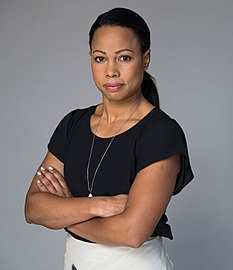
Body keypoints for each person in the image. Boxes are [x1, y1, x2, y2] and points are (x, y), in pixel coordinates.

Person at [25, 7, 194, 270]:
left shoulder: (161, 133)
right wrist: (100, 205)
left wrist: (64, 211)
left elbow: (132, 233)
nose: (111, 71)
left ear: (145, 58)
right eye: (100, 58)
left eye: (124, 58)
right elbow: (33, 208)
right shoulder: (73, 124)